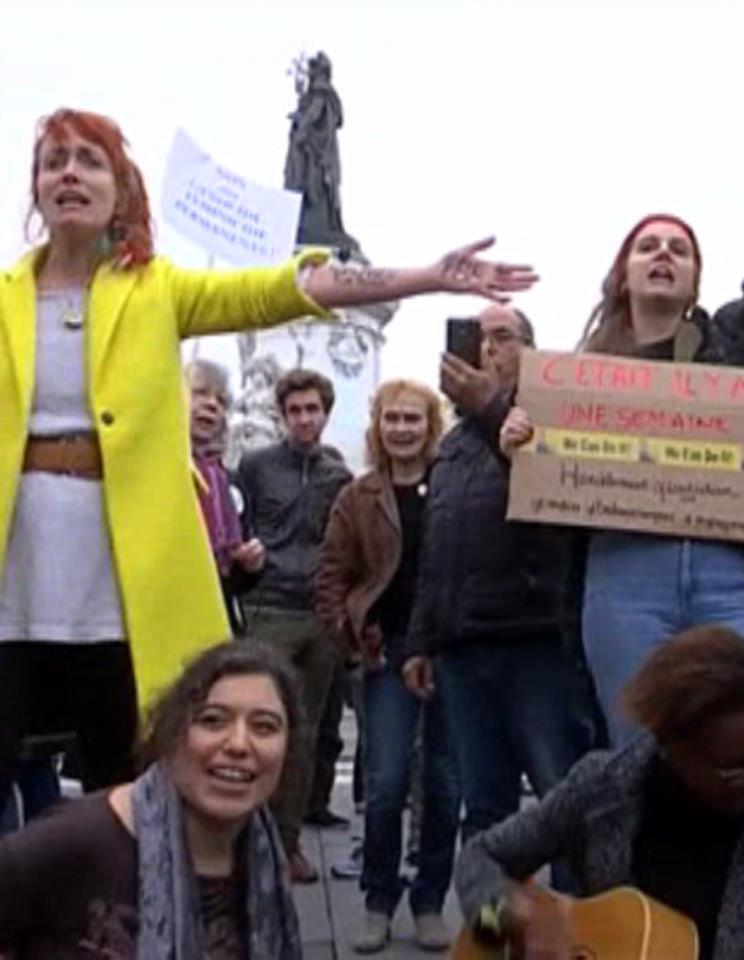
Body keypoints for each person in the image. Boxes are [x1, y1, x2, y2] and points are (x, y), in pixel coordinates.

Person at [0, 107, 535, 811]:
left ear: (121, 192)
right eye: (54, 161)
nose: (69, 172)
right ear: (36, 190)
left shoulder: (156, 288)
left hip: (119, 583)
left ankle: (132, 922)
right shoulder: (7, 297)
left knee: (123, 786)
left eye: (89, 161)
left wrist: (426, 277)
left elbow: (290, 289)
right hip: (18, 571)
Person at [498, 56, 744, 782]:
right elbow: (548, 505)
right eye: (648, 247)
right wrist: (519, 444)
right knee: (645, 769)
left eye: (680, 248)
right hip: (622, 576)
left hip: (733, 574)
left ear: (697, 278)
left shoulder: (742, 336)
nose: (664, 255)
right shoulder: (572, 378)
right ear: (624, 275)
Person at [455, 626, 744, 960]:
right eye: (734, 769)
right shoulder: (602, 787)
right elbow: (479, 858)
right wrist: (509, 920)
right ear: (670, 746)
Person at [403, 305, 595, 848]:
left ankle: (576, 928)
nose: (487, 348)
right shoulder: (450, 447)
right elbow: (434, 554)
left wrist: (492, 412)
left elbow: (557, 511)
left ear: (529, 352)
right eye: (477, 338)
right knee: (486, 812)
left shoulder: (550, 426)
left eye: (503, 337)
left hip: (534, 645)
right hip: (463, 652)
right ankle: (492, 932)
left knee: (560, 798)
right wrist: (421, 640)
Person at [0, 641, 304, 958]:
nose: (239, 744)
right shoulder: (79, 838)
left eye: (264, 727)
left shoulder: (265, 860)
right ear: (172, 735)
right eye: (213, 720)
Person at [316, 379, 460, 953]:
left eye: (414, 419)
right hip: (387, 650)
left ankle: (429, 900)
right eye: (393, 419)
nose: (403, 429)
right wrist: (349, 636)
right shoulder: (358, 496)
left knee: (446, 784)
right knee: (387, 783)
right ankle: (378, 899)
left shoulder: (452, 487)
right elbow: (332, 575)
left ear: (431, 426)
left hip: (450, 652)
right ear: (379, 425)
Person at [237, 368, 353, 883]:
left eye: (313, 410)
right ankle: (246, 842)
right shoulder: (257, 465)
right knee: (259, 729)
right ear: (282, 416)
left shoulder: (338, 473)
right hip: (269, 609)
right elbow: (238, 527)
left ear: (325, 413)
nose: (305, 419)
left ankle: (286, 845)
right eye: (295, 411)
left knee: (304, 736)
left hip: (321, 614)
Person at [186, 359, 265, 636]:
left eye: (221, 400)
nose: (212, 405)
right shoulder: (155, 472)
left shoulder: (229, 482)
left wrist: (250, 565)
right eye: (200, 393)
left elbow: (237, 579)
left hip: (218, 623)